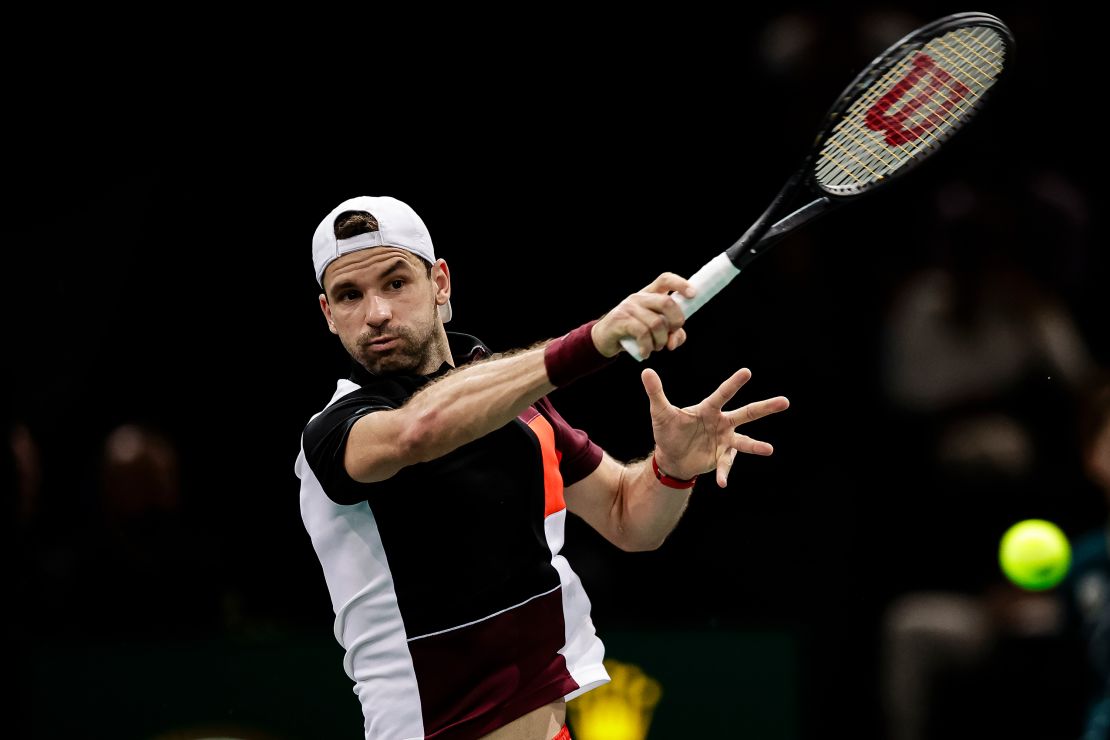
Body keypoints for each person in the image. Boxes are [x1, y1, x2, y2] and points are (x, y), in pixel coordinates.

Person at [294, 195, 790, 740]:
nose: (377, 313)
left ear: (440, 284)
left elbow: (629, 518)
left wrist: (672, 469)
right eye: (349, 295)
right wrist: (595, 340)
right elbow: (421, 429)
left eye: (395, 283)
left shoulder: (514, 401)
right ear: (328, 314)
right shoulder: (338, 430)